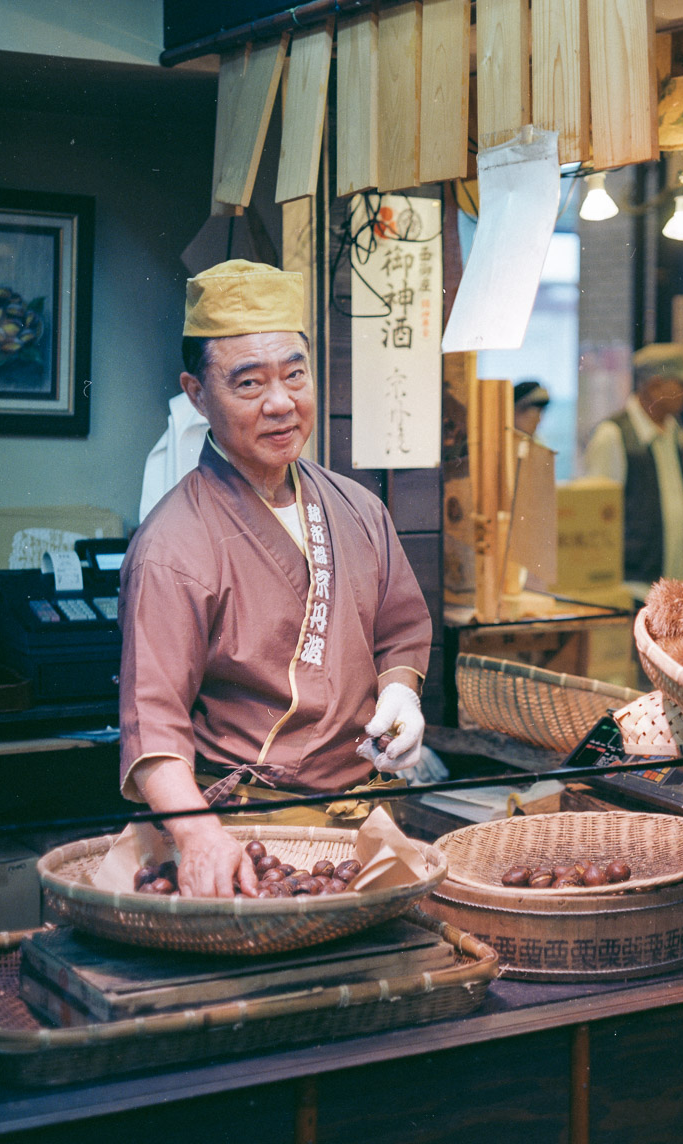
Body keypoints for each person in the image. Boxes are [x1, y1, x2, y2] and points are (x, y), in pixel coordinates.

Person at [119, 259, 433, 897]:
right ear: (196, 393)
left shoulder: (357, 507)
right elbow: (153, 722)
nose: (282, 402)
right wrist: (198, 834)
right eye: (249, 384)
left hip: (370, 816)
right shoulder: (174, 544)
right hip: (251, 834)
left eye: (296, 374)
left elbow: (400, 632)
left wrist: (402, 694)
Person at [582, 343, 683, 596]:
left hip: (675, 588)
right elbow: (597, 521)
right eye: (681, 384)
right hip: (633, 588)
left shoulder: (676, 430)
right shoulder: (613, 435)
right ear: (655, 385)